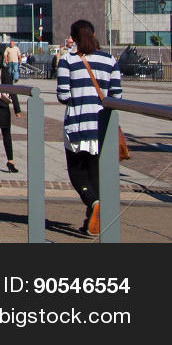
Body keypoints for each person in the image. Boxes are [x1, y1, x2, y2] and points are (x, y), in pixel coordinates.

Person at [56, 20, 123, 236]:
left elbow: (63, 95)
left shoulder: (68, 61)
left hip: (77, 123)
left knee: (76, 170)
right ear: (93, 34)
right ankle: (92, 222)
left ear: (73, 38)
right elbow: (117, 97)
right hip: (101, 125)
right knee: (94, 172)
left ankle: (94, 204)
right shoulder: (110, 60)